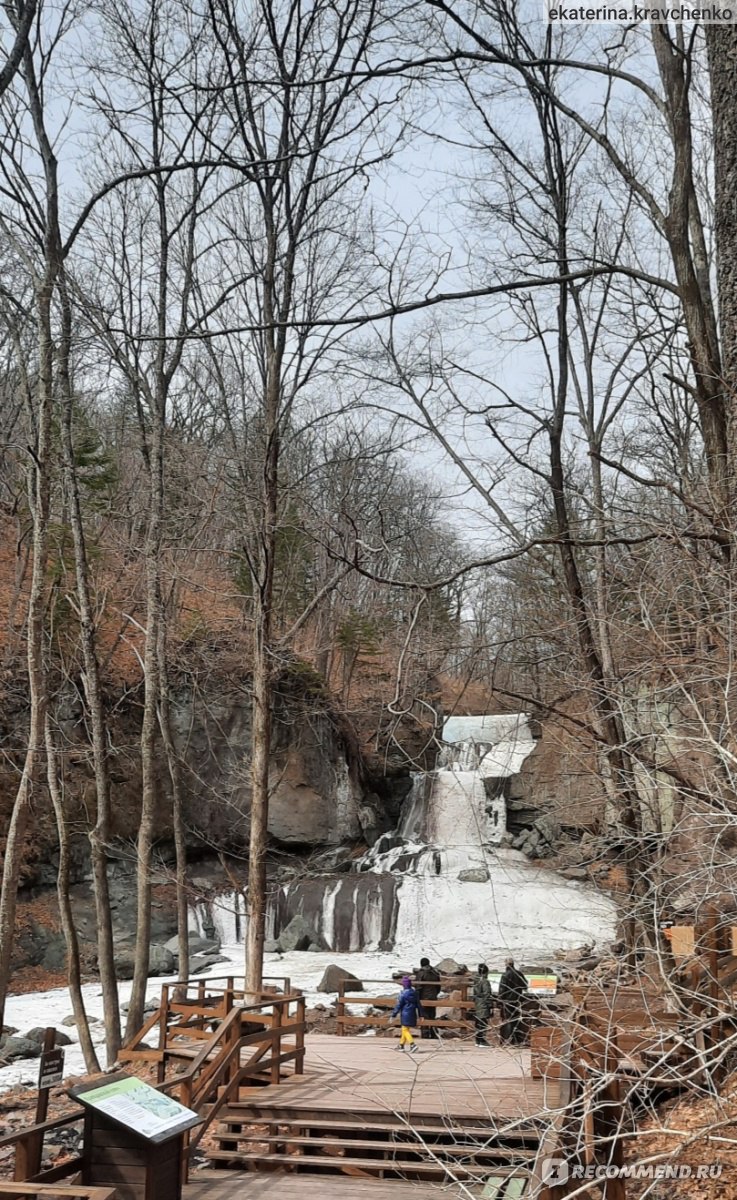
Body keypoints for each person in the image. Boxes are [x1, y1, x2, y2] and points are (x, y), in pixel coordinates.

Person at [498, 957, 528, 1046]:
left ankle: (507, 1040)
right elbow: (525, 985)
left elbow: (502, 989)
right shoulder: (519, 974)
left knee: (507, 1020)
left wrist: (499, 1000)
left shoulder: (505, 975)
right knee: (516, 1020)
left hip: (507, 1001)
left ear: (506, 964)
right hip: (517, 1000)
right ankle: (516, 1040)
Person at [391, 975, 423, 1053]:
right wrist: (421, 1014)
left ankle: (412, 1045)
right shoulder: (415, 993)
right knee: (405, 1029)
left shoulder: (403, 994)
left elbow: (399, 1005)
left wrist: (393, 1014)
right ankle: (401, 1045)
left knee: (405, 1030)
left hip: (405, 1014)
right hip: (412, 1013)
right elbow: (419, 1004)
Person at [415, 957, 441, 1040]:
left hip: (423, 998)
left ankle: (425, 1035)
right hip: (433, 997)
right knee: (432, 1015)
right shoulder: (435, 972)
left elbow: (418, 987)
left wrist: (417, 998)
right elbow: (438, 986)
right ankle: (434, 1033)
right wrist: (435, 994)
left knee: (424, 1016)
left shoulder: (421, 973)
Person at [472, 962, 493, 1046]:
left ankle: (478, 1040)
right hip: (483, 1004)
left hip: (478, 1002)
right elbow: (487, 994)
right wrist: (490, 1005)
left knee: (478, 1022)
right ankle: (482, 1040)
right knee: (483, 1023)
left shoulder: (476, 980)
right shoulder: (485, 981)